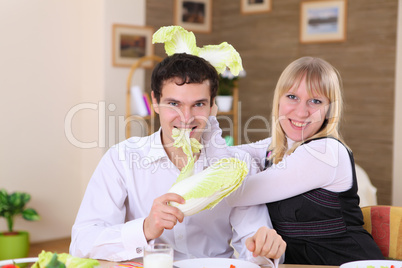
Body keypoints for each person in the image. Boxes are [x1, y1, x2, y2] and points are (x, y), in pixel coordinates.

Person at [69, 53, 286, 264]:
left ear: (212, 107)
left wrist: (264, 249)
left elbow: (254, 248)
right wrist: (145, 228)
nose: (186, 117)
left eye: (199, 104)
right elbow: (82, 242)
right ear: (155, 101)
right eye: (174, 104)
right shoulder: (121, 159)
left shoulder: (236, 166)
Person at [205, 56, 384, 265]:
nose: (301, 111)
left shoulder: (326, 152)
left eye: (315, 101)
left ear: (329, 109)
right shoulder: (274, 148)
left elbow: (234, 193)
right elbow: (222, 159)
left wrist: (210, 121)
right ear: (278, 100)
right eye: (292, 96)